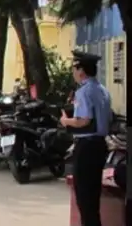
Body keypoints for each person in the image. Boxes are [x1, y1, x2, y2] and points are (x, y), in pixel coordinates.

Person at [59, 50, 112, 226]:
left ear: (81, 70)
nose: (73, 73)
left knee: (84, 199)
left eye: (74, 68)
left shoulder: (84, 92)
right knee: (92, 198)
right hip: (100, 146)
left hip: (87, 147)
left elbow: (84, 120)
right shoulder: (103, 90)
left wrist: (66, 121)